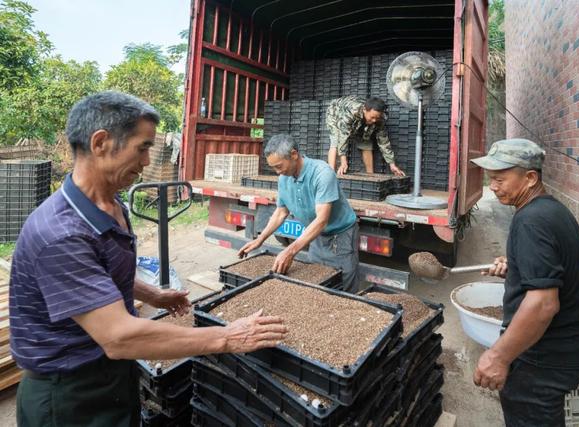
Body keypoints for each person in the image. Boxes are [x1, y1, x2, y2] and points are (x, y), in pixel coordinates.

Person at [9, 91, 287, 427]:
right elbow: (119, 337)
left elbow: (102, 273)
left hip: (110, 375)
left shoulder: (111, 205)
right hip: (68, 395)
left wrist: (151, 295)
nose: (146, 161)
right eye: (142, 147)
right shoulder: (61, 234)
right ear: (101, 143)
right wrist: (228, 337)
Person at [470, 138, 579, 426]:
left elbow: (543, 304)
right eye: (491, 179)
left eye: (500, 179)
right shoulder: (555, 211)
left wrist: (498, 357)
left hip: (541, 359)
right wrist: (521, 267)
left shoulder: (530, 221)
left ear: (530, 177)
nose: (493, 186)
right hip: (563, 352)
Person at [238, 134, 360, 293]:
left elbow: (322, 220)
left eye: (279, 166)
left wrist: (290, 250)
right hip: (316, 235)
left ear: (294, 155)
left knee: (344, 286)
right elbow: (281, 212)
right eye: (273, 167)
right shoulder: (284, 178)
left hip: (341, 236)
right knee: (318, 280)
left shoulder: (322, 173)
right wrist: (260, 239)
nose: (277, 172)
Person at [326, 95, 405, 177]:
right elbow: (343, 136)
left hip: (358, 118)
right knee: (335, 141)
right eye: (372, 117)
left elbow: (384, 142)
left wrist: (392, 165)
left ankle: (370, 175)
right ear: (364, 110)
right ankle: (330, 174)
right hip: (335, 112)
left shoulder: (379, 119)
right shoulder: (352, 112)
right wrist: (343, 161)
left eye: (377, 118)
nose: (374, 120)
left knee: (366, 142)